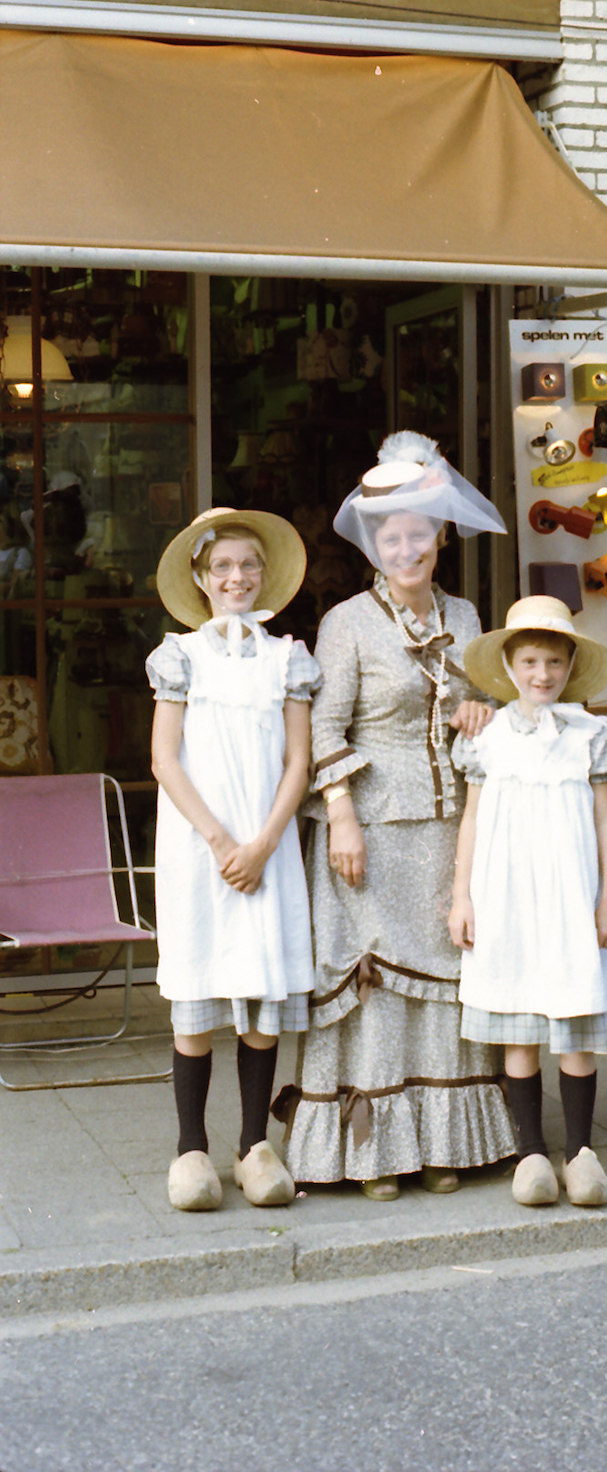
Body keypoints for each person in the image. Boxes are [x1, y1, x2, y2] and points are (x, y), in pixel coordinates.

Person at [277, 432, 517, 1199]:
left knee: (443, 979)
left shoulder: (468, 613)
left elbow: (484, 697)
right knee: (375, 984)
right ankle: (371, 1152)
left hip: (448, 822)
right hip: (372, 829)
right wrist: (340, 815)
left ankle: (442, 1143)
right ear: (373, 542)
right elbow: (324, 727)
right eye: (391, 535)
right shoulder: (347, 621)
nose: (405, 546)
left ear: (440, 536)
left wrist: (478, 708)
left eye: (418, 532)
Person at [147, 506, 321, 1213]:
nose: (236, 577)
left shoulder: (288, 658)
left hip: (266, 847)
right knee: (197, 1004)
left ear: (264, 573)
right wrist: (221, 843)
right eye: (221, 566)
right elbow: (163, 758)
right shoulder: (180, 656)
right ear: (200, 577)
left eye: (248, 565)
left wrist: (263, 843)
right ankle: (191, 1148)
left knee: (259, 1000)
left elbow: (299, 759)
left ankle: (254, 1145)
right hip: (200, 848)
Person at [448, 597, 607, 1208]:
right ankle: (531, 1154)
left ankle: (580, 1152)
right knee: (518, 1024)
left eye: (554, 661)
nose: (542, 674)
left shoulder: (591, 738)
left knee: (574, 1024)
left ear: (571, 665)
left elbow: (606, 822)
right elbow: (471, 821)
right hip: (506, 896)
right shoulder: (487, 738)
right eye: (529, 661)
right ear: (509, 664)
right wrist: (461, 897)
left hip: (569, 897)